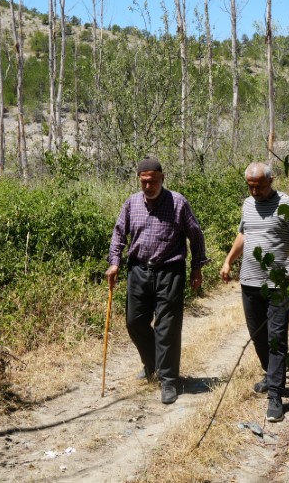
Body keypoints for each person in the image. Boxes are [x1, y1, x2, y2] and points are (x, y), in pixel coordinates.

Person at [106, 157, 208, 405]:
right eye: (144, 182)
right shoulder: (131, 203)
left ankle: (169, 380)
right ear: (139, 180)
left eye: (153, 181)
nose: (148, 186)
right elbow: (119, 233)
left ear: (162, 178)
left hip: (170, 270)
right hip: (139, 270)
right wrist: (114, 262)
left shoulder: (178, 202)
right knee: (134, 321)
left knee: (167, 326)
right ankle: (153, 364)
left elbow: (195, 235)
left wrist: (197, 268)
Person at [220, 162, 289, 422]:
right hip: (250, 281)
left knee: (276, 337)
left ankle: (275, 397)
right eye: (251, 186)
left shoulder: (288, 204)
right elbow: (244, 236)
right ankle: (271, 376)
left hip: (279, 284)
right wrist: (228, 261)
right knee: (258, 335)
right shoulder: (248, 204)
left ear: (271, 181)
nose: (255, 191)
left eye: (259, 186)